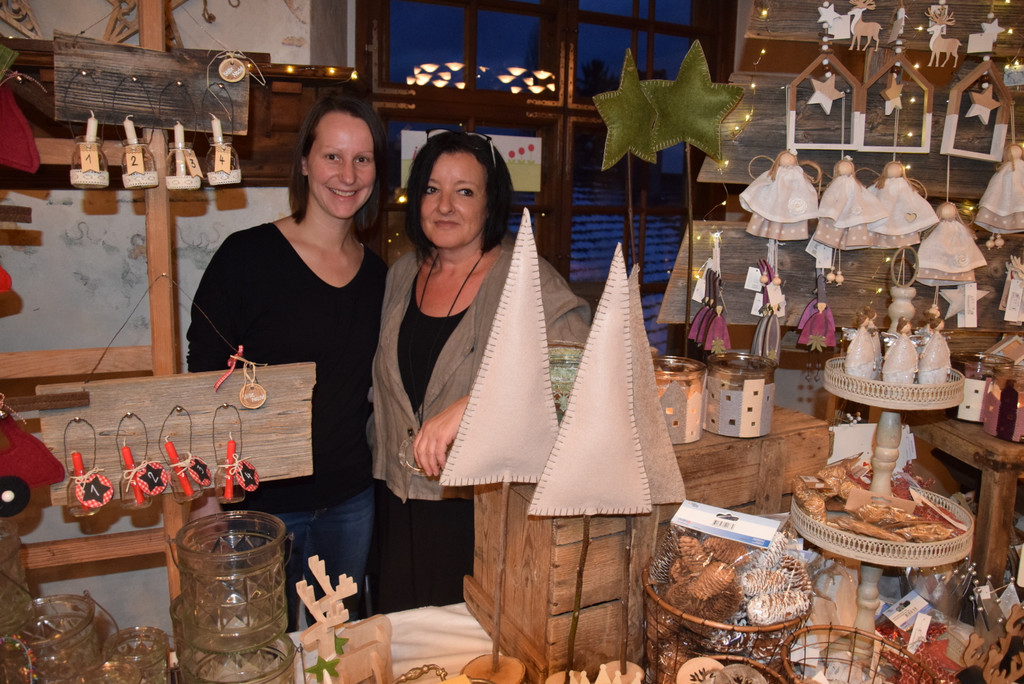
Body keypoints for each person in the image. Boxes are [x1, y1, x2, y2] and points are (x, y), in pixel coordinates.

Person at [186, 91, 387, 627]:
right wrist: (205, 499)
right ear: (304, 162)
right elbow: (202, 377)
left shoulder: (379, 276)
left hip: (349, 500)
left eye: (362, 159)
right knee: (258, 645)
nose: (347, 174)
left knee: (333, 647)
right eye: (332, 156)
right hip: (257, 506)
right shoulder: (246, 256)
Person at [371, 129, 590, 612]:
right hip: (396, 506)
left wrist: (474, 405)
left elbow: (579, 372)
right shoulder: (402, 274)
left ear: (491, 203)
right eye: (432, 189)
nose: (445, 205)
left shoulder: (525, 278)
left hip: (478, 514)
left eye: (465, 191)